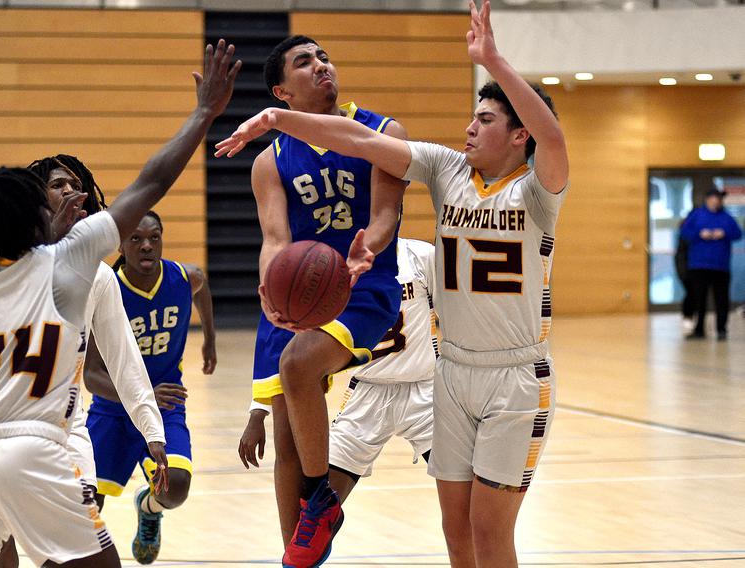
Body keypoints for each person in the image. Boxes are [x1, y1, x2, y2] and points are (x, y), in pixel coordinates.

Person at [217, 2, 569, 565]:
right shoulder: (445, 168)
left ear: (519, 134)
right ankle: (315, 510)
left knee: (488, 530)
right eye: (472, 118)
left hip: (514, 373)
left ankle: (320, 502)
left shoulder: (538, 194)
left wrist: (494, 63)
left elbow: (552, 138)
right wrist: (274, 120)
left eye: (484, 120)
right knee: (459, 533)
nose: (468, 128)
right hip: (451, 374)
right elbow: (355, 143)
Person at [0, 40, 239, 568]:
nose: (65, 196)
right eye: (48, 193)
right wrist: (202, 113)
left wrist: (150, 429)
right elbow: (150, 184)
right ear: (33, 215)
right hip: (37, 445)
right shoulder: (72, 262)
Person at [245, 35, 408, 567]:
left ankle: (322, 499)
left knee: (298, 364)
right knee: (287, 444)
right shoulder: (270, 160)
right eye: (303, 62)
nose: (321, 66)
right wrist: (271, 285)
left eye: (323, 57)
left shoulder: (382, 132)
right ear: (280, 92)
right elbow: (275, 238)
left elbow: (385, 214)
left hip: (362, 287)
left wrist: (371, 247)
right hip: (297, 292)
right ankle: (298, 556)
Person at [0, 154, 165, 568]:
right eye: (57, 185)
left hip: (66, 434)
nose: (70, 189)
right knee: (1, 548)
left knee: (89, 555)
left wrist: (151, 428)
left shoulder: (99, 277)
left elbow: (124, 357)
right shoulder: (2, 266)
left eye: (75, 183)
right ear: (35, 202)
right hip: (4, 430)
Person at [239, 238, 438, 510]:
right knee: (314, 511)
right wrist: (258, 409)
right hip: (368, 393)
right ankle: (301, 548)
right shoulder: (331, 266)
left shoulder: (422, 255)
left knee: (464, 495)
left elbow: (453, 317)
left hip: (426, 391)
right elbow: (285, 342)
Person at [84, 209, 216, 565]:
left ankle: (148, 507)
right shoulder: (104, 289)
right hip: (112, 410)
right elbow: (92, 376)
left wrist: (209, 341)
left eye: (154, 238)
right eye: (136, 239)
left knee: (176, 487)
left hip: (165, 404)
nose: (146, 246)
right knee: (85, 506)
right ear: (121, 245)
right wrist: (140, 395)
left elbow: (201, 285)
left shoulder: (182, 278)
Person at [680, 188, 742, 340]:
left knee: (721, 299)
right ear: (708, 199)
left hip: (720, 266)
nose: (717, 201)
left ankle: (721, 329)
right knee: (699, 299)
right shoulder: (696, 215)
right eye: (715, 198)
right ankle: (699, 329)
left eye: (719, 199)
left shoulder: (727, 217)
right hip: (699, 265)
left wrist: (724, 233)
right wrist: (700, 234)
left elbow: (738, 233)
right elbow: (684, 232)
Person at [674, 212, 696, 332]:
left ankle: (693, 318)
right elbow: (680, 257)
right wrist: (683, 273)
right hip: (686, 269)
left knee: (695, 293)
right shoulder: (685, 237)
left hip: (696, 268)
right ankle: (687, 316)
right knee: (691, 292)